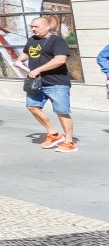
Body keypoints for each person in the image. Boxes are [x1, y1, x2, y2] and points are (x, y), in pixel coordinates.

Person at [22, 15, 76, 152]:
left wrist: (38, 70)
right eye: (32, 27)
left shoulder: (57, 41)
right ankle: (54, 134)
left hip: (56, 82)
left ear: (47, 27)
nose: (33, 29)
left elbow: (60, 60)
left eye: (36, 27)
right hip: (37, 82)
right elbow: (25, 53)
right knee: (32, 106)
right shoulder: (32, 40)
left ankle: (69, 142)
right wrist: (18, 60)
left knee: (62, 112)